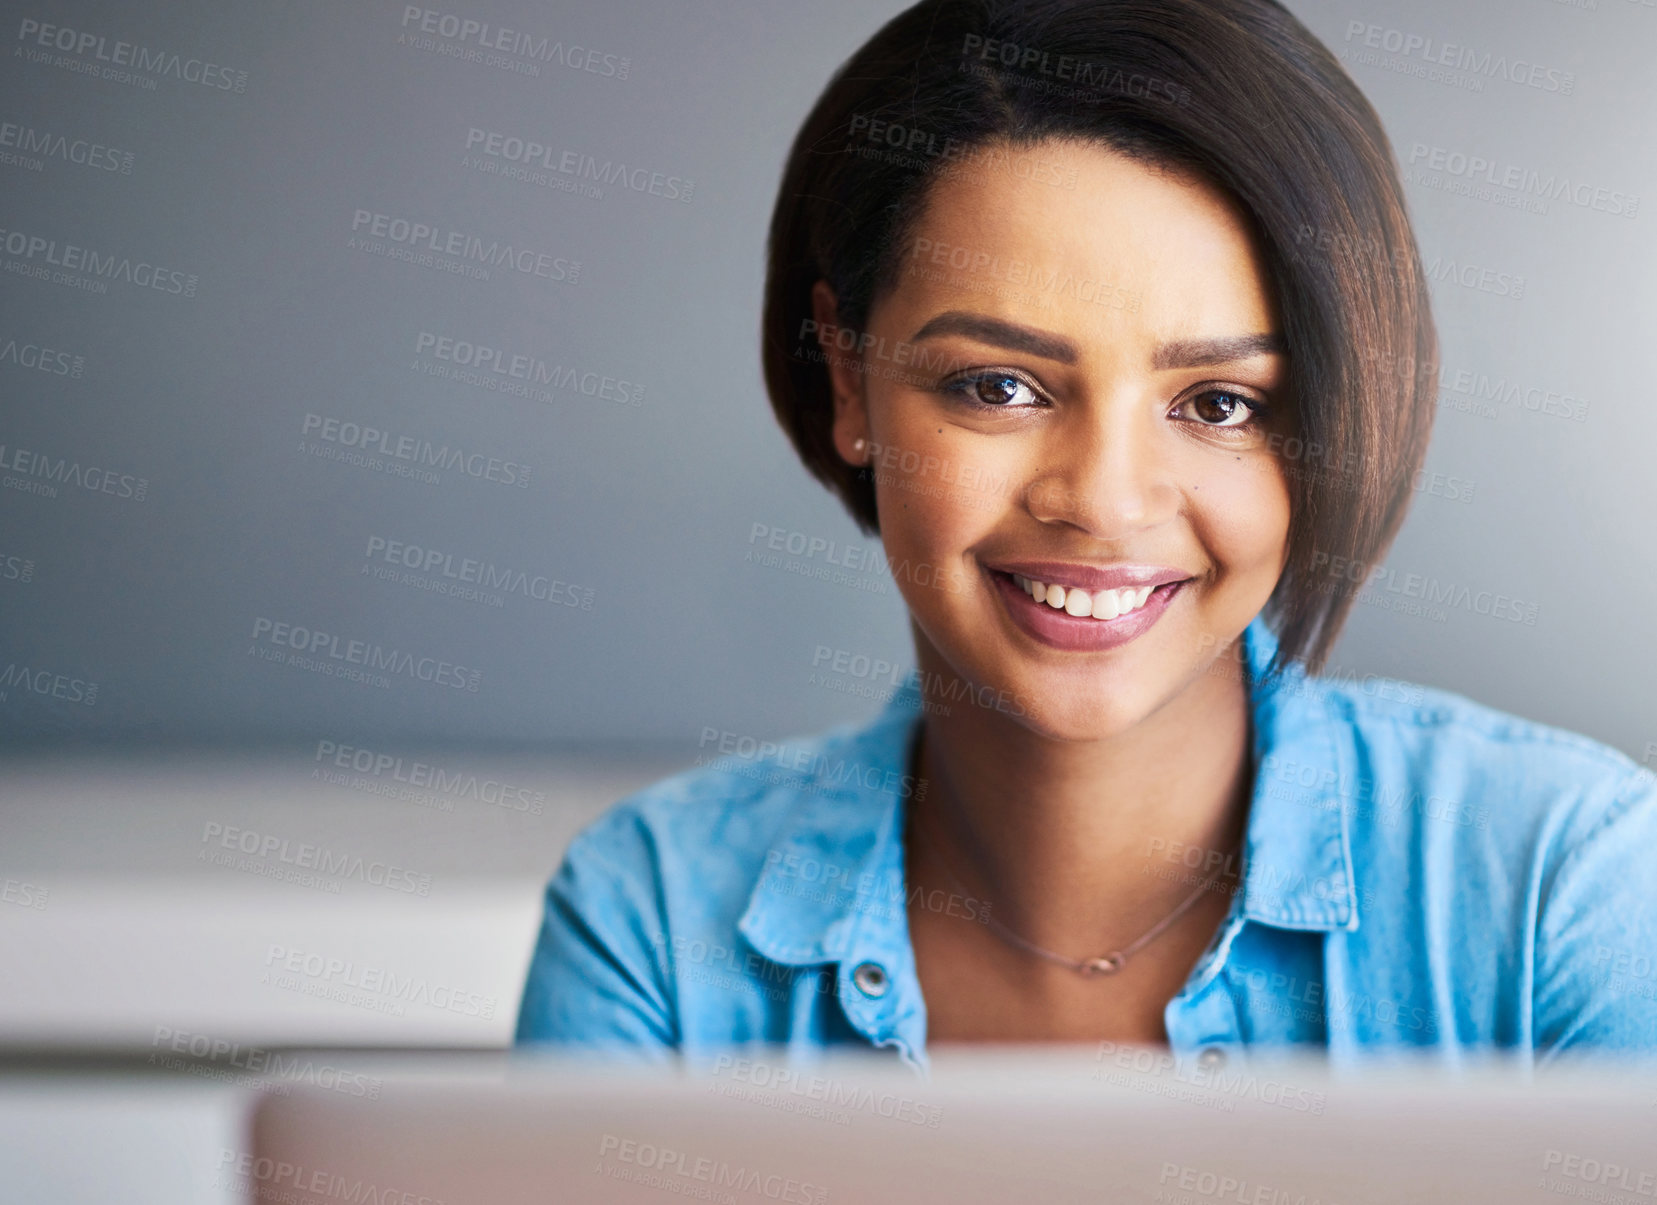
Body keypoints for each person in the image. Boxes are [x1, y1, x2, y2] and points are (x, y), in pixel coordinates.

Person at [514, 0, 1657, 1072]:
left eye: (1219, 403)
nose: (1105, 502)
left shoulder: (1573, 886)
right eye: (999, 385)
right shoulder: (651, 923)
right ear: (850, 377)